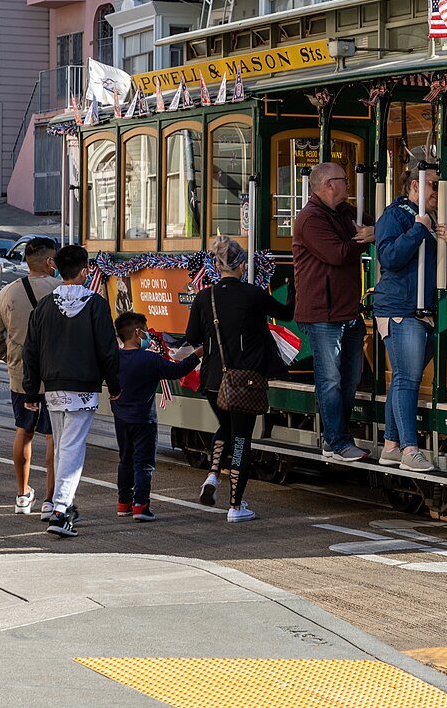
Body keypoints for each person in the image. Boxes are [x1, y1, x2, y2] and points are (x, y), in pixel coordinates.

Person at [375, 166, 447, 471]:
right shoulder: (396, 215)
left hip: (431, 312)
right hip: (401, 309)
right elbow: (389, 258)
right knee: (408, 378)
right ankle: (409, 450)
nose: (438, 191)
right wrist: (418, 230)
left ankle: (391, 446)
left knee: (405, 377)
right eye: (434, 184)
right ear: (416, 187)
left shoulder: (442, 218)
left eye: (441, 184)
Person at [183, 235, 290, 522]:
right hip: (245, 381)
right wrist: (293, 288)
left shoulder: (205, 297)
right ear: (241, 265)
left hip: (212, 381)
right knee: (241, 439)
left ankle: (212, 476)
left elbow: (192, 337)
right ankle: (235, 506)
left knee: (226, 426)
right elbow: (286, 313)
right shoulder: (253, 295)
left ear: (217, 267)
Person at [22, 245, 121, 538]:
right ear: (84, 270)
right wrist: (114, 386)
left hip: (52, 388)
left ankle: (63, 503)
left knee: (64, 444)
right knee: (72, 447)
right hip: (83, 387)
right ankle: (62, 509)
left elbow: (31, 351)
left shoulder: (44, 305)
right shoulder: (96, 304)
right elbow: (108, 351)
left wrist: (31, 392)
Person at [293, 161, 374, 463]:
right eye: (344, 180)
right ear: (328, 185)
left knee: (350, 378)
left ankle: (337, 435)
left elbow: (375, 226)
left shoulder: (346, 211)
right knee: (329, 380)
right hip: (322, 314)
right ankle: (336, 441)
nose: (348, 185)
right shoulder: (310, 219)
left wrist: (375, 231)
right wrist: (366, 237)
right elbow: (337, 254)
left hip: (348, 312)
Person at [0, 237, 61, 520]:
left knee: (23, 431)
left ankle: (21, 495)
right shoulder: (61, 290)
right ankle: (50, 500)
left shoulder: (7, 293)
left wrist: (11, 358)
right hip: (55, 376)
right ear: (50, 262)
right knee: (54, 437)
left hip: (21, 376)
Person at [112, 312, 202, 521]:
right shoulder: (149, 359)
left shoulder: (114, 358)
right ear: (137, 332)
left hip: (121, 417)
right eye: (145, 330)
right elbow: (177, 370)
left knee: (125, 460)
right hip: (144, 419)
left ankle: (123, 503)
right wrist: (197, 353)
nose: (148, 336)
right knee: (143, 463)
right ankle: (140, 506)